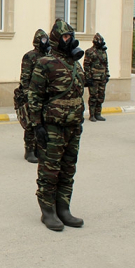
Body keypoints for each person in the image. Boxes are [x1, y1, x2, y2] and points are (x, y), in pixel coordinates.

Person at [28, 19, 85, 231]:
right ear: (55, 38)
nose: (69, 40)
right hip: (53, 127)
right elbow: (34, 96)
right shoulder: (45, 63)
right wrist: (37, 125)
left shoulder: (74, 63)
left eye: (71, 36)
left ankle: (64, 208)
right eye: (65, 37)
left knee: (68, 169)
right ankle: (48, 211)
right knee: (49, 171)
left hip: (73, 126)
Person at [14, 29, 51, 164]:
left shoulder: (49, 57)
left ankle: (39, 149)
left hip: (45, 94)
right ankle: (29, 150)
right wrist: (28, 95)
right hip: (32, 94)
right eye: (42, 40)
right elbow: (25, 78)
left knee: (43, 122)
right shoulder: (30, 56)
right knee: (31, 123)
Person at [83, 33, 110, 122]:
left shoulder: (103, 52)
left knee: (101, 96)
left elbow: (106, 65)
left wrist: (107, 75)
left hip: (102, 78)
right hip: (94, 78)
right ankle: (92, 115)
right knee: (93, 96)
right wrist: (88, 77)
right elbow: (86, 66)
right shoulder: (90, 52)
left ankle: (98, 113)